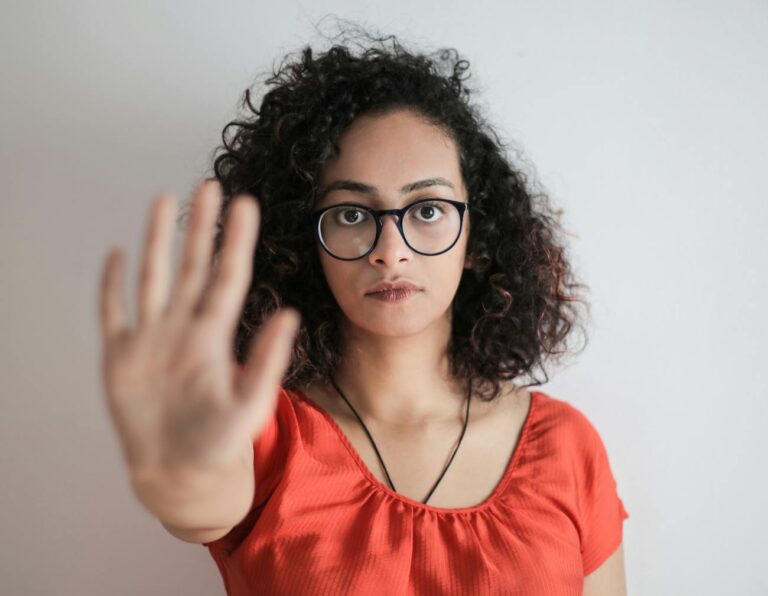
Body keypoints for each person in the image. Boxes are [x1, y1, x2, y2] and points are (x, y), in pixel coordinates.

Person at [98, 20, 628, 596]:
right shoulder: (262, 433)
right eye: (351, 214)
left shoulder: (567, 447)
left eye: (426, 209)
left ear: (478, 237)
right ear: (306, 245)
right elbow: (199, 497)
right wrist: (175, 471)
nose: (390, 251)